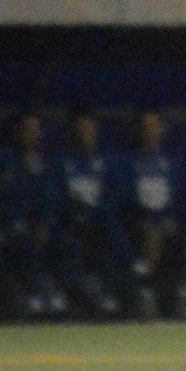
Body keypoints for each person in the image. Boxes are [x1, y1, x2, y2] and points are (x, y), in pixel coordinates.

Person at [121, 110, 186, 318]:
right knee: (152, 235)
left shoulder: (174, 163)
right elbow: (124, 201)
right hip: (141, 224)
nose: (150, 131)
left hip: (172, 223)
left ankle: (185, 293)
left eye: (154, 126)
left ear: (162, 130)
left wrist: (175, 219)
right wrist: (145, 219)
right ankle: (146, 293)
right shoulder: (128, 163)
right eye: (146, 127)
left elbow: (183, 200)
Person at [0, 110, 64, 318]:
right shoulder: (2, 161)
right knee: (6, 246)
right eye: (27, 130)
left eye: (36, 131)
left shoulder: (46, 162)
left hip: (38, 228)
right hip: (7, 228)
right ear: (17, 132)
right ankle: (24, 301)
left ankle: (58, 298)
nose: (32, 135)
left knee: (65, 244)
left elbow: (50, 201)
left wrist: (44, 223)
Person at [56, 107, 131, 318]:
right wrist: (74, 213)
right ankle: (73, 300)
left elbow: (117, 195)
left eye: (89, 128)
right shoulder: (61, 160)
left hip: (100, 221)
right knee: (69, 243)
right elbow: (55, 195)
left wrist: (97, 214)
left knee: (112, 235)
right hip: (70, 221)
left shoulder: (108, 160)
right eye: (80, 128)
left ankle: (115, 292)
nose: (84, 133)